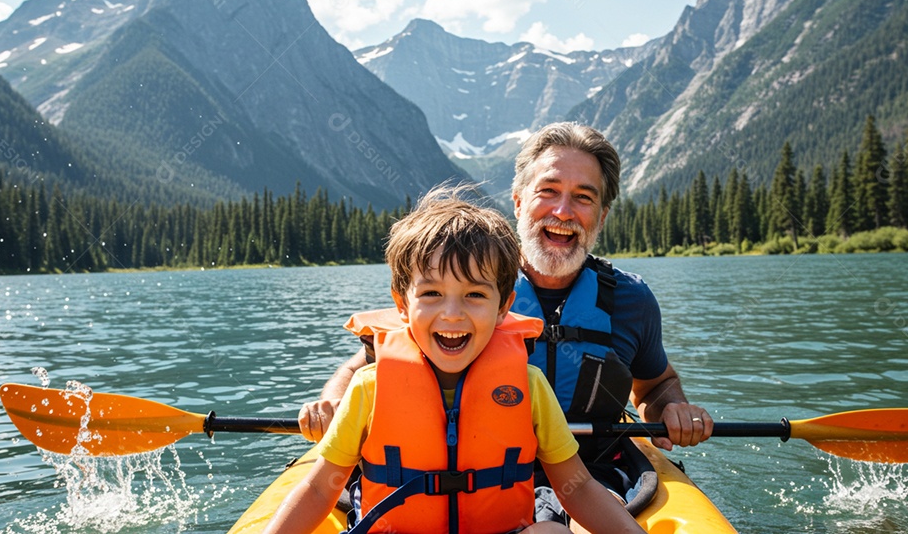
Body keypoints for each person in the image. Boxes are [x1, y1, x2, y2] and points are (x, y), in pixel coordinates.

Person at [299, 123, 712, 510]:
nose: (564, 211)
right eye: (548, 191)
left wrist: (672, 407)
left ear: (601, 215)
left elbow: (657, 385)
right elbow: (363, 369)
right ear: (518, 201)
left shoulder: (632, 300)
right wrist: (332, 403)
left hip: (591, 474)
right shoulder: (461, 286)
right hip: (467, 476)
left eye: (583, 197)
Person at [263, 188, 646, 534]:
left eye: (475, 296)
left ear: (503, 308)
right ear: (401, 305)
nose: (452, 314)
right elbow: (318, 489)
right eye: (431, 293)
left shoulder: (528, 385)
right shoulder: (370, 387)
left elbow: (576, 487)